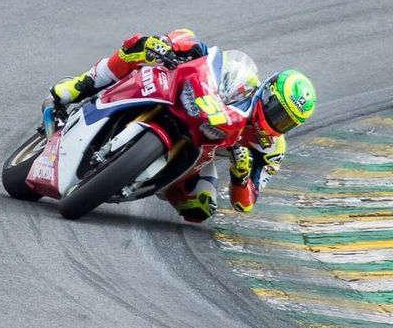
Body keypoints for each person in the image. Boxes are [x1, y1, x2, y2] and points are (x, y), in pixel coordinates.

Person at [43, 29, 316, 223]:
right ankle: (76, 87)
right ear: (266, 93)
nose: (277, 121)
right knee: (143, 45)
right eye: (277, 110)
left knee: (201, 209)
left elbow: (244, 203)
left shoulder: (270, 148)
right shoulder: (243, 81)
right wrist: (170, 45)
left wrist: (241, 173)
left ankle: (145, 179)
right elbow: (208, 56)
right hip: (185, 101)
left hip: (202, 152)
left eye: (286, 121)